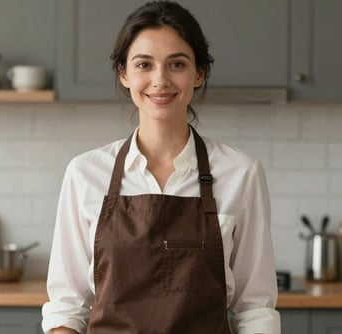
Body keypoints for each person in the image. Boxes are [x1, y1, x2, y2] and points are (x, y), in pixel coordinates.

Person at [42, 1, 280, 333]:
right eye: (144, 64)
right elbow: (67, 307)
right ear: (124, 74)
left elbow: (254, 308)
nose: (160, 80)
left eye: (176, 64)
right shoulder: (84, 174)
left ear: (199, 73)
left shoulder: (241, 174)